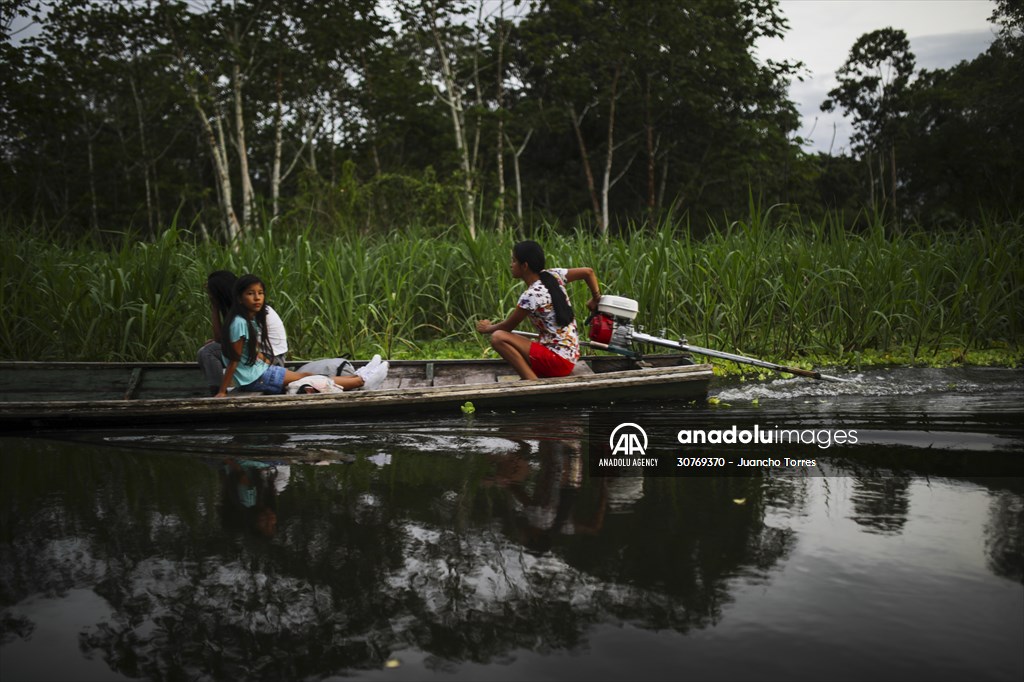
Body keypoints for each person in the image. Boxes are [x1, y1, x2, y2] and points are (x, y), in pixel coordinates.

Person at [214, 274, 388, 397]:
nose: (257, 298)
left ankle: (361, 375)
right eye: (250, 294)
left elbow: (251, 350)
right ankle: (361, 381)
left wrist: (265, 362)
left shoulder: (246, 320)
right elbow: (234, 360)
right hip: (256, 378)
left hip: (259, 372)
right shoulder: (240, 323)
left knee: (307, 377)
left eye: (260, 293)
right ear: (239, 298)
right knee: (309, 379)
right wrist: (222, 391)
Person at [475, 240, 601, 379]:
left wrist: (487, 328)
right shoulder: (553, 275)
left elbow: (507, 327)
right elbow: (588, 272)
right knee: (509, 337)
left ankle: (531, 382)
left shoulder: (531, 295)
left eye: (514, 261)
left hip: (558, 361)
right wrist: (596, 298)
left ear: (524, 266)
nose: (511, 265)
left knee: (498, 337)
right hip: (569, 356)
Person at [197, 270, 289, 395]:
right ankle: (220, 389)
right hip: (261, 355)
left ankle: (218, 391)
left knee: (208, 352)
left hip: (270, 359)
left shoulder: (250, 310)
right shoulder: (240, 310)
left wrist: (215, 306)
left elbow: (225, 345)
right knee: (209, 349)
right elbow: (221, 339)